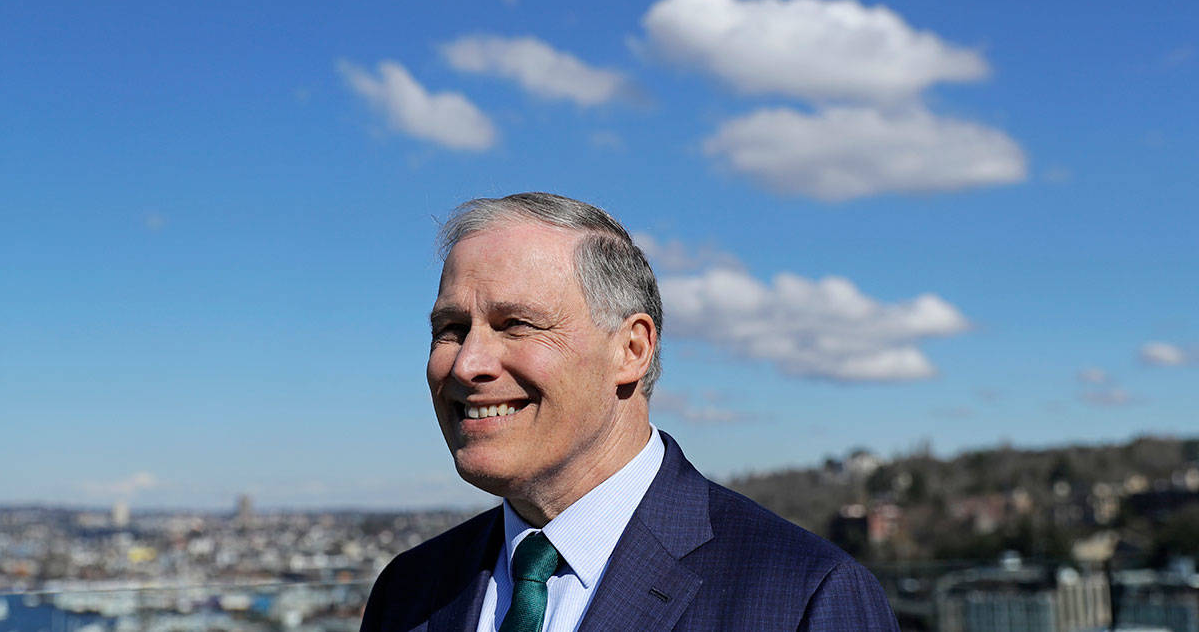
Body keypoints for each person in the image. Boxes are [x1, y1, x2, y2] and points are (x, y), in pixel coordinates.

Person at [361, 192, 899, 632]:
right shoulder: (410, 591)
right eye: (450, 330)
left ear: (631, 350)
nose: (468, 363)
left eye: (516, 324)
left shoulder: (803, 597)